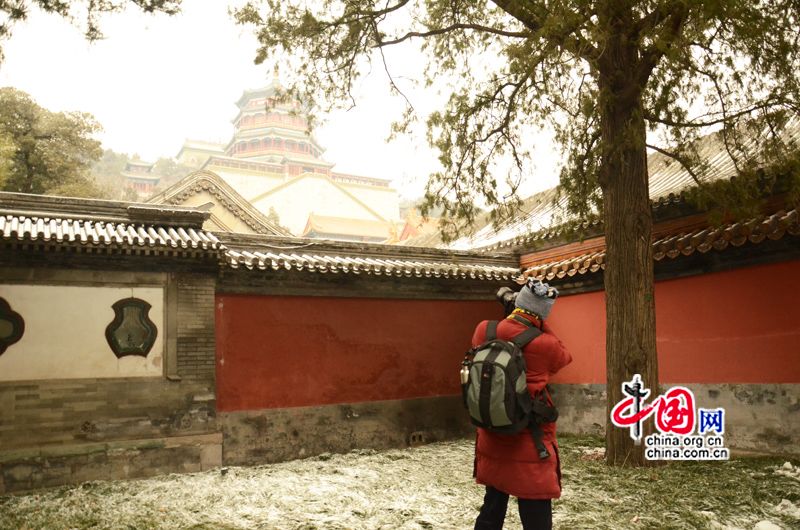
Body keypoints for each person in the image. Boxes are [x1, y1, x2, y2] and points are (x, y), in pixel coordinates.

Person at [472, 278, 573, 530]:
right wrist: (539, 321)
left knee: (491, 508)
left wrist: (515, 311)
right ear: (543, 312)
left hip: (492, 433)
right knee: (535, 513)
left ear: (517, 303)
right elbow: (564, 357)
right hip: (529, 440)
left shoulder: (484, 329)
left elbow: (506, 334)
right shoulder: (546, 345)